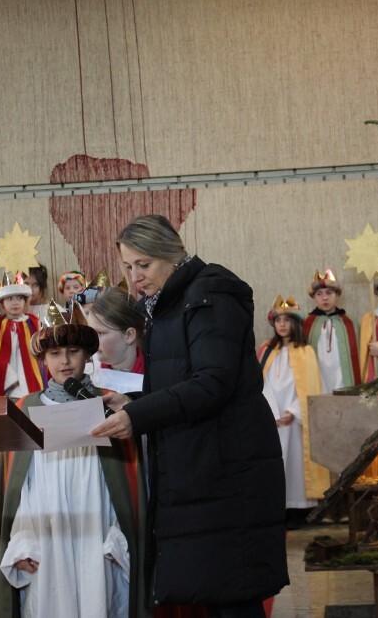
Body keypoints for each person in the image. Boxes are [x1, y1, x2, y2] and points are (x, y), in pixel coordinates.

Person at [92, 214, 288, 617]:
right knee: (219, 590)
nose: (135, 278)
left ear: (172, 254)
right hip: (204, 463)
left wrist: (139, 415)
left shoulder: (209, 293)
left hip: (228, 466)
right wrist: (133, 401)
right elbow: (177, 377)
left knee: (234, 594)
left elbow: (212, 383)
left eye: (144, 264)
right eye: (128, 266)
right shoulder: (170, 302)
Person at [0, 301, 145, 618]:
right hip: (47, 531)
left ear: (88, 355)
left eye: (73, 351)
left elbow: (123, 480)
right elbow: (20, 486)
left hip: (97, 527)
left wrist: (118, 537)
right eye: (54, 353)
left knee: (100, 598)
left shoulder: (108, 404)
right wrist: (22, 540)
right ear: (43, 359)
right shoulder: (25, 409)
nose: (64, 361)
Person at [258, 295, 328, 529]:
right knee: (277, 463)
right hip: (272, 418)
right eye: (278, 320)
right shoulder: (266, 351)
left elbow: (312, 387)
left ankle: (299, 510)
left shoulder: (305, 352)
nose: (282, 324)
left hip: (296, 421)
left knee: (297, 465)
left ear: (295, 323)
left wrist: (293, 411)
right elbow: (260, 383)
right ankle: (278, 509)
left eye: (287, 320)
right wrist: (270, 411)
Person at [0, 282, 44, 398]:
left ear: (25, 301)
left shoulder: (34, 322)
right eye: (10, 299)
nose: (15, 303)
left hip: (31, 378)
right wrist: (10, 379)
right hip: (7, 383)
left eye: (19, 298)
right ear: (2, 303)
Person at [302, 269, 360, 392]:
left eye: (329, 293)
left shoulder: (349, 323)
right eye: (319, 294)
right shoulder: (307, 324)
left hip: (343, 381)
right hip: (318, 379)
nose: (325, 298)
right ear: (313, 297)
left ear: (337, 295)